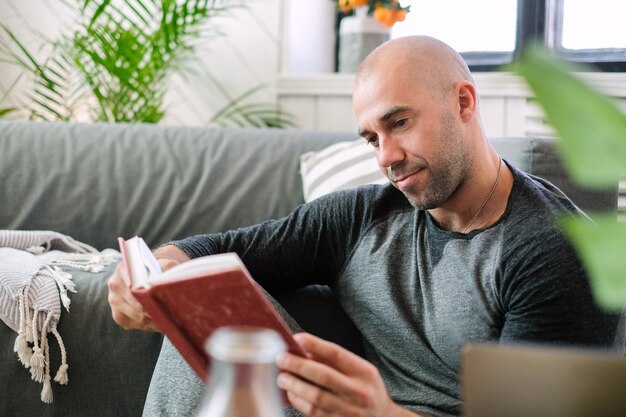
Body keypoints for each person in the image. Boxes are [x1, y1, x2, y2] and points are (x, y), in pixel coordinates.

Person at [108, 36, 624, 417]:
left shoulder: (549, 251)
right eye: (371, 138)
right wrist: (157, 273)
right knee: (216, 325)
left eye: (399, 123)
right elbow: (219, 249)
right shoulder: (360, 217)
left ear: (463, 103)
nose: (387, 156)